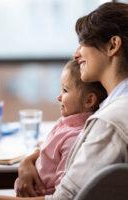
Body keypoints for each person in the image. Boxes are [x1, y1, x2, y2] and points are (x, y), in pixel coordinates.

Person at [0, 2, 128, 200]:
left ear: (113, 45)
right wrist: (29, 160)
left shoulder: (110, 121)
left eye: (84, 43)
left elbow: (64, 199)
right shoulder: (111, 109)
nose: (76, 53)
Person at [15, 60, 107, 196]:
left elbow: (60, 193)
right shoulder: (66, 124)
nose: (58, 97)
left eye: (65, 90)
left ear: (89, 100)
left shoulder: (73, 139)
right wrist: (30, 159)